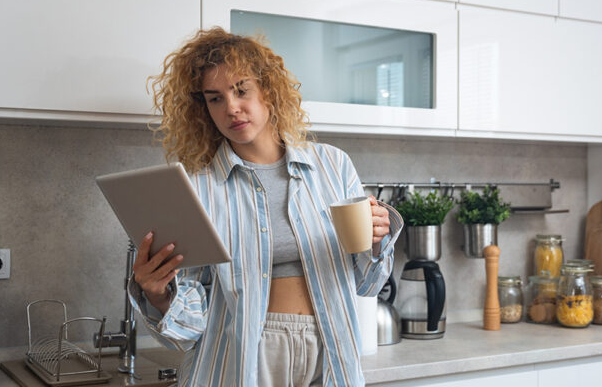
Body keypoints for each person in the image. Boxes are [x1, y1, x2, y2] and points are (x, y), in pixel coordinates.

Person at [127, 27, 403, 386]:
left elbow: (367, 284)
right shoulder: (198, 189)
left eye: (242, 90)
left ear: (268, 91)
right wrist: (157, 293)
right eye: (215, 99)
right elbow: (189, 327)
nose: (232, 108)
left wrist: (378, 240)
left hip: (331, 351)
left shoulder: (333, 166)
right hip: (241, 361)